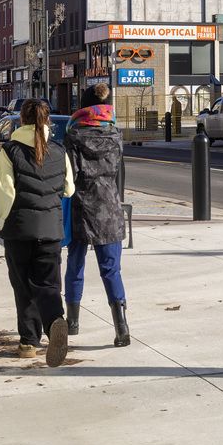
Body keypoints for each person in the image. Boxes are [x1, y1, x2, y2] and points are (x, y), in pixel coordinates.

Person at [0, 99, 75, 366]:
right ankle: (55, 320)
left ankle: (28, 342)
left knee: (23, 285)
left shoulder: (10, 151)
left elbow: (4, 191)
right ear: (47, 121)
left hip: (19, 229)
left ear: (20, 120)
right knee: (47, 283)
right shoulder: (59, 151)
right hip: (51, 229)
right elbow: (69, 188)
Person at [63, 83, 130, 347]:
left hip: (81, 206)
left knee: (75, 264)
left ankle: (73, 322)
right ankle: (121, 326)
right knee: (111, 269)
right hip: (109, 207)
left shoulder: (73, 136)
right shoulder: (116, 136)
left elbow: (70, 176)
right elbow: (118, 173)